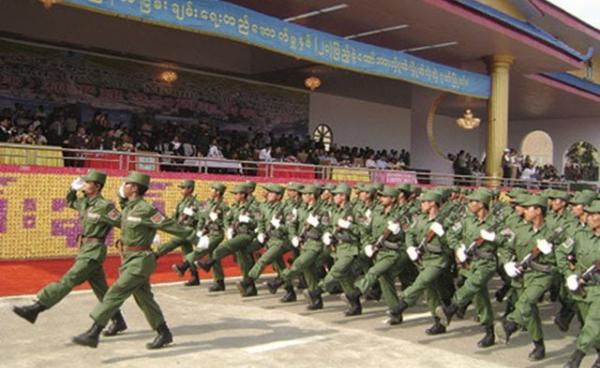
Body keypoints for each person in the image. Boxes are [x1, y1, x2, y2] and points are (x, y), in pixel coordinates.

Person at [71, 171, 195, 349]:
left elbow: (169, 225)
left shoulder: (146, 209)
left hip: (141, 260)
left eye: (127, 184)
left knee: (116, 291)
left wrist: (196, 238)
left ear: (135, 188)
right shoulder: (129, 207)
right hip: (129, 259)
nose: (123, 187)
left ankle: (94, 332)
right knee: (144, 298)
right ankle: (164, 332)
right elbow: (121, 203)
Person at [13, 170, 127, 336]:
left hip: (93, 252)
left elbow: (124, 223)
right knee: (102, 290)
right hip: (85, 250)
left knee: (68, 279)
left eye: (87, 182)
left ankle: (36, 308)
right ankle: (118, 321)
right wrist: (72, 189)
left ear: (97, 186)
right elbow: (70, 201)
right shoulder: (85, 203)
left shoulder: (105, 207)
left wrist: (142, 237)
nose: (84, 184)